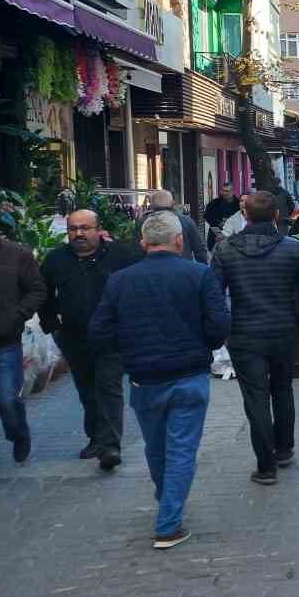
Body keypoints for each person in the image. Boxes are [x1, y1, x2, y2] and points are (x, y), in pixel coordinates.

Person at [88, 212, 230, 549]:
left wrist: (126, 353)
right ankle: (168, 521)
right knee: (181, 448)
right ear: (180, 241)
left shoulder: (121, 280)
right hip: (188, 374)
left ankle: (168, 500)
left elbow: (99, 330)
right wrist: (205, 345)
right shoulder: (198, 274)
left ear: (143, 243)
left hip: (144, 377)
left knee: (157, 447)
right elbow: (220, 324)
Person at [210, 191, 299, 484]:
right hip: (282, 330)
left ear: (244, 215)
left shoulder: (225, 250)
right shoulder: (292, 249)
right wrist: (298, 324)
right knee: (282, 389)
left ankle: (266, 465)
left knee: (255, 397)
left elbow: (214, 296)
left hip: (244, 333)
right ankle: (283, 449)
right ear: (275, 216)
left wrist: (223, 331)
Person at [37, 210, 143, 470]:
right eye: (73, 229)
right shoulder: (56, 259)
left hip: (112, 337)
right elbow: (43, 292)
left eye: (85, 228)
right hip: (74, 336)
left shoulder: (122, 256)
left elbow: (140, 288)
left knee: (109, 388)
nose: (79, 234)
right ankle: (96, 437)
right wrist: (51, 324)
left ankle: (110, 446)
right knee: (87, 390)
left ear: (98, 230)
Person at [0, 228, 43, 473]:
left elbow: (37, 290)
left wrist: (17, 315)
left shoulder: (16, 254)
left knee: (7, 399)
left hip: (3, 342)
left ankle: (18, 432)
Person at [144, 190, 208, 264]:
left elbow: (135, 250)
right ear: (173, 203)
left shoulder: (144, 222)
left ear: (152, 205)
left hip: (151, 269)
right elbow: (199, 249)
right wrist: (202, 270)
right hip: (184, 268)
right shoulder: (186, 221)